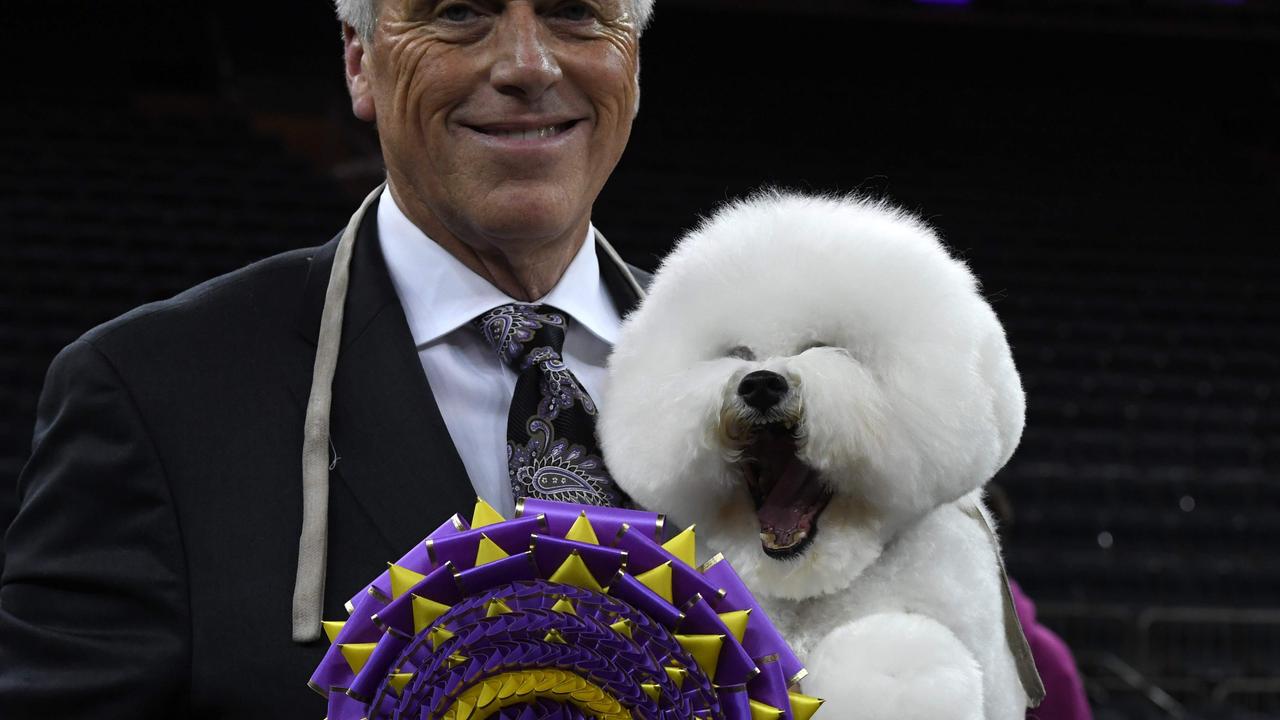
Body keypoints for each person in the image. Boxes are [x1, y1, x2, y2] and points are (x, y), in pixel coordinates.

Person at [0, 0, 655, 717]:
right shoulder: (150, 396)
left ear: (633, 59)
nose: (528, 65)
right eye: (459, 12)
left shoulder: (772, 385)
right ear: (358, 60)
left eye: (576, 14)